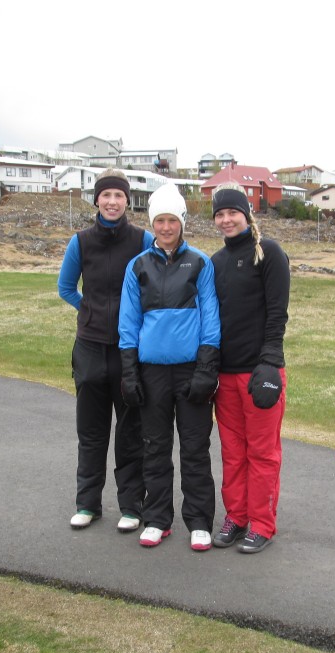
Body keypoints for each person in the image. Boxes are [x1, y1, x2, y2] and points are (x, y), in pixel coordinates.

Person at [118, 182, 220, 550]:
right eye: (159, 220)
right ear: (152, 223)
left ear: (182, 222)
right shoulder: (138, 266)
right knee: (155, 447)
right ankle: (157, 518)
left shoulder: (200, 263)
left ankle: (199, 520)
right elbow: (128, 322)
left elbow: (211, 319)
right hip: (152, 373)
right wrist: (129, 372)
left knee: (195, 448)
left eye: (172, 220)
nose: (165, 227)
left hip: (191, 370)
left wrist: (206, 369)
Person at [57, 168, 153, 532]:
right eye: (106, 195)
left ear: (128, 200)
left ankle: (131, 507)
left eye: (119, 196)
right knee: (91, 432)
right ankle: (87, 504)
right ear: (96, 199)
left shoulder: (143, 240)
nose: (112, 202)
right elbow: (66, 287)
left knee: (130, 433)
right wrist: (89, 310)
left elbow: (155, 285)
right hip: (90, 348)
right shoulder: (80, 242)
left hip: (129, 352)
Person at [208, 182, 290, 554]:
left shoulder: (268, 253)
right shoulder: (215, 262)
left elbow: (277, 313)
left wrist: (270, 361)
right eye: (220, 214)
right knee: (232, 451)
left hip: (261, 373)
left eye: (233, 213)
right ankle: (237, 516)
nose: (227, 220)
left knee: (262, 452)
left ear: (246, 214)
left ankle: (261, 523)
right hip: (225, 375)